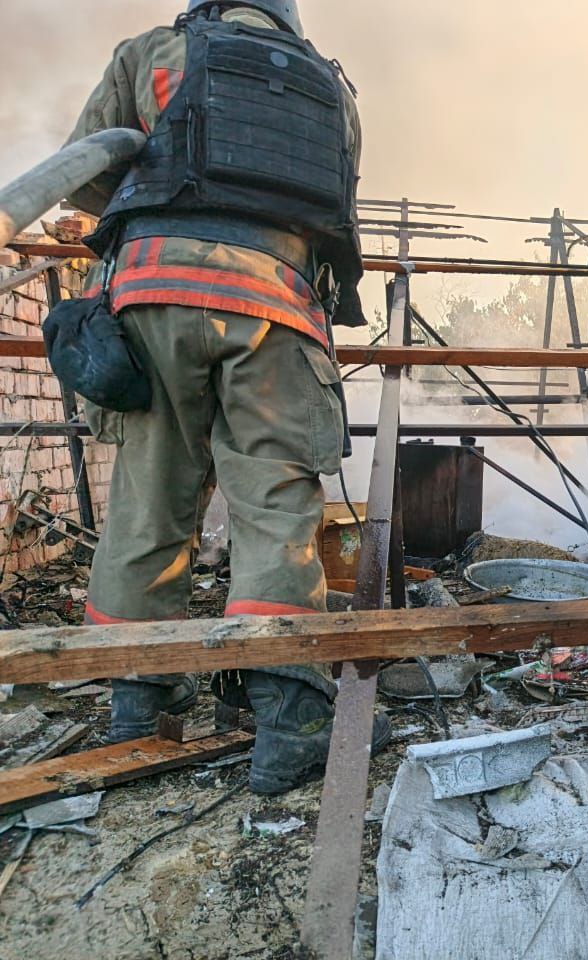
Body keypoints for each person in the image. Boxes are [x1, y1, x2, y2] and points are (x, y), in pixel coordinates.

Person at [65, 0, 386, 794]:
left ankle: (140, 708)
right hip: (277, 306)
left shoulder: (153, 51)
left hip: (150, 299)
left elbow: (91, 175)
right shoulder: (332, 91)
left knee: (148, 501)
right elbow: (334, 211)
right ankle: (287, 724)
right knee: (275, 503)